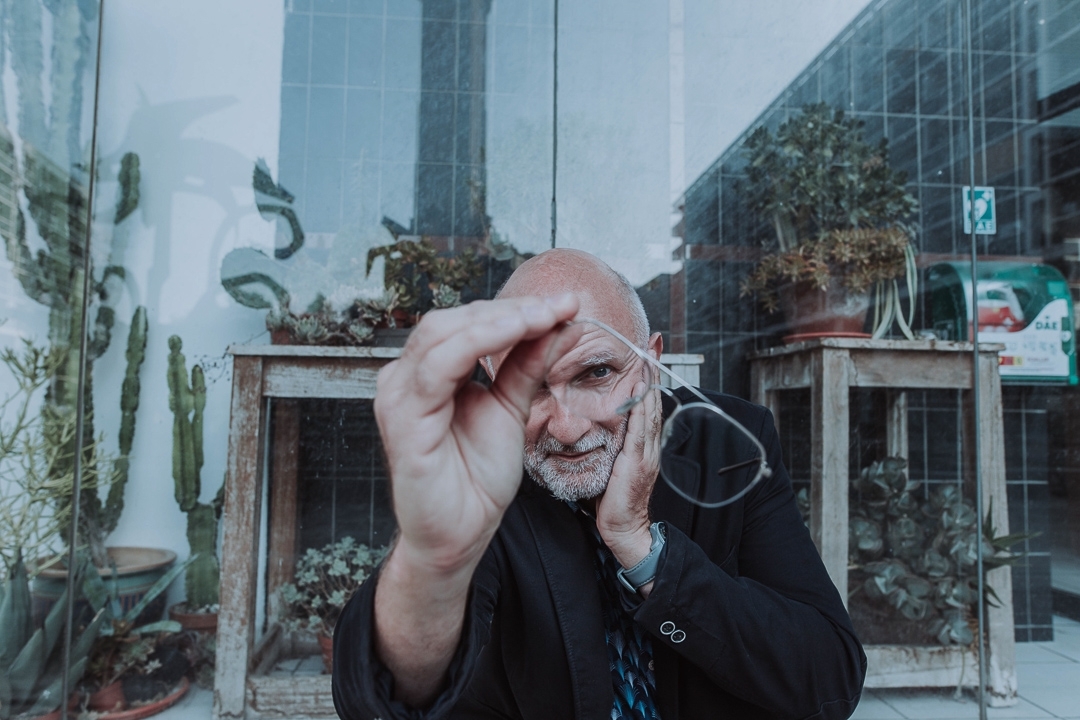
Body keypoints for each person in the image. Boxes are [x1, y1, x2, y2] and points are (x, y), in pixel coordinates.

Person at [332, 249, 866, 719]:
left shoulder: (729, 445)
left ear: (651, 363)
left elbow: (829, 679)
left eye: (597, 374)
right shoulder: (480, 472)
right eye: (532, 388)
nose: (567, 428)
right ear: (494, 382)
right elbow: (380, 700)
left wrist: (643, 549)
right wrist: (433, 560)